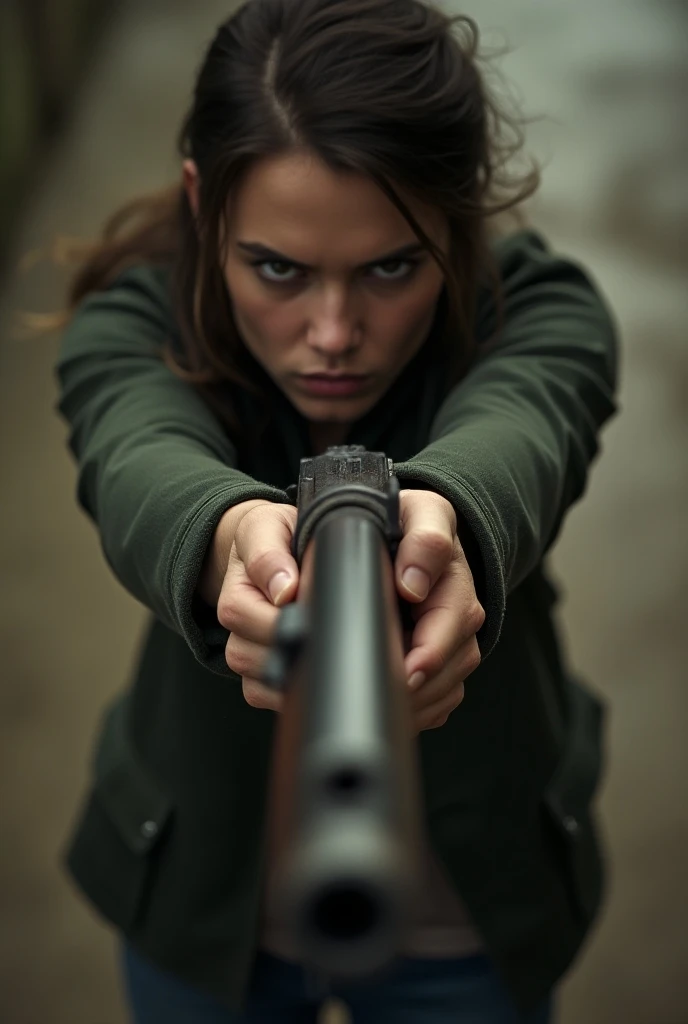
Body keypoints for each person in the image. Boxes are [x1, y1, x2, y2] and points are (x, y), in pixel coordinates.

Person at [52, 0, 619, 1021]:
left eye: (391, 267)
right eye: (277, 268)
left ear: (458, 216)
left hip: (465, 918)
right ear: (201, 202)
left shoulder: (540, 308)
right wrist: (225, 535)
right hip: (202, 905)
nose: (332, 333)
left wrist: (447, 512)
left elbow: (526, 420)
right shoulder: (131, 320)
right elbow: (136, 449)